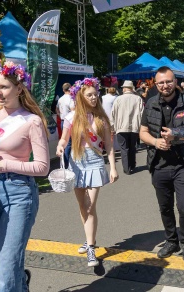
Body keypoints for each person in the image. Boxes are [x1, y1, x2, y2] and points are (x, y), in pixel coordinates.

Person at [0, 59, 50, 291]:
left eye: (4, 87)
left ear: (19, 88)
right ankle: (19, 282)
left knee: (6, 270)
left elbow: (42, 167)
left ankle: (14, 282)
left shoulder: (32, 121)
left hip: (20, 193)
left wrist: (5, 165)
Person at [139, 67, 184, 265]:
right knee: (165, 207)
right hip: (159, 164)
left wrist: (176, 134)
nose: (165, 86)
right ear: (155, 84)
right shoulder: (150, 103)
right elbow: (142, 132)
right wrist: (155, 142)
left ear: (175, 82)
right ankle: (171, 240)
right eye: (161, 83)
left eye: (168, 81)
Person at [56, 77, 118, 267]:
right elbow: (63, 139)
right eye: (89, 95)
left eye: (95, 94)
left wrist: (113, 167)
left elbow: (109, 145)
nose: (93, 97)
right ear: (80, 97)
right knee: (83, 206)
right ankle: (88, 238)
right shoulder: (71, 117)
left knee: (90, 207)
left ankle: (91, 248)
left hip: (95, 162)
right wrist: (59, 147)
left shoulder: (101, 118)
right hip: (77, 163)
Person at [111, 80, 144, 175]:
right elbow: (142, 114)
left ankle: (127, 168)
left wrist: (112, 128)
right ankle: (132, 164)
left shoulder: (118, 99)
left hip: (121, 127)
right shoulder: (138, 99)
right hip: (134, 127)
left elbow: (113, 114)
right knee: (132, 146)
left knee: (124, 148)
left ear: (124, 88)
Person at [56, 82, 75, 167]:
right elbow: (73, 110)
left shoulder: (60, 99)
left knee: (65, 141)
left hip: (63, 121)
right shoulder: (71, 98)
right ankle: (67, 164)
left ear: (63, 90)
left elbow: (56, 109)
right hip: (70, 122)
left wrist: (60, 115)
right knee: (69, 143)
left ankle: (64, 163)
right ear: (70, 89)